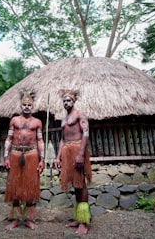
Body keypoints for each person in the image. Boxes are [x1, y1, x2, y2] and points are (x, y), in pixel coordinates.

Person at [3, 89, 45, 230]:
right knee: (15, 187)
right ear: (21, 105)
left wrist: (42, 159)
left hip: (32, 155)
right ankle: (15, 219)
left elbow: (40, 141)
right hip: (15, 154)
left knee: (30, 187)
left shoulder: (37, 122)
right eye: (24, 104)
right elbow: (9, 138)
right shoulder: (14, 120)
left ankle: (28, 219)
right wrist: (5, 156)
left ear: (33, 106)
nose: (27, 107)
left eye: (29, 105)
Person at [55, 89, 92, 235]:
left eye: (68, 100)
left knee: (81, 184)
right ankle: (78, 218)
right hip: (67, 151)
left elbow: (86, 133)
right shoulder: (64, 119)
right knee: (75, 185)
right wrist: (58, 157)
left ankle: (84, 222)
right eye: (64, 101)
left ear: (74, 101)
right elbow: (62, 139)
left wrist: (81, 154)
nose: (66, 103)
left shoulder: (80, 114)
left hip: (77, 150)